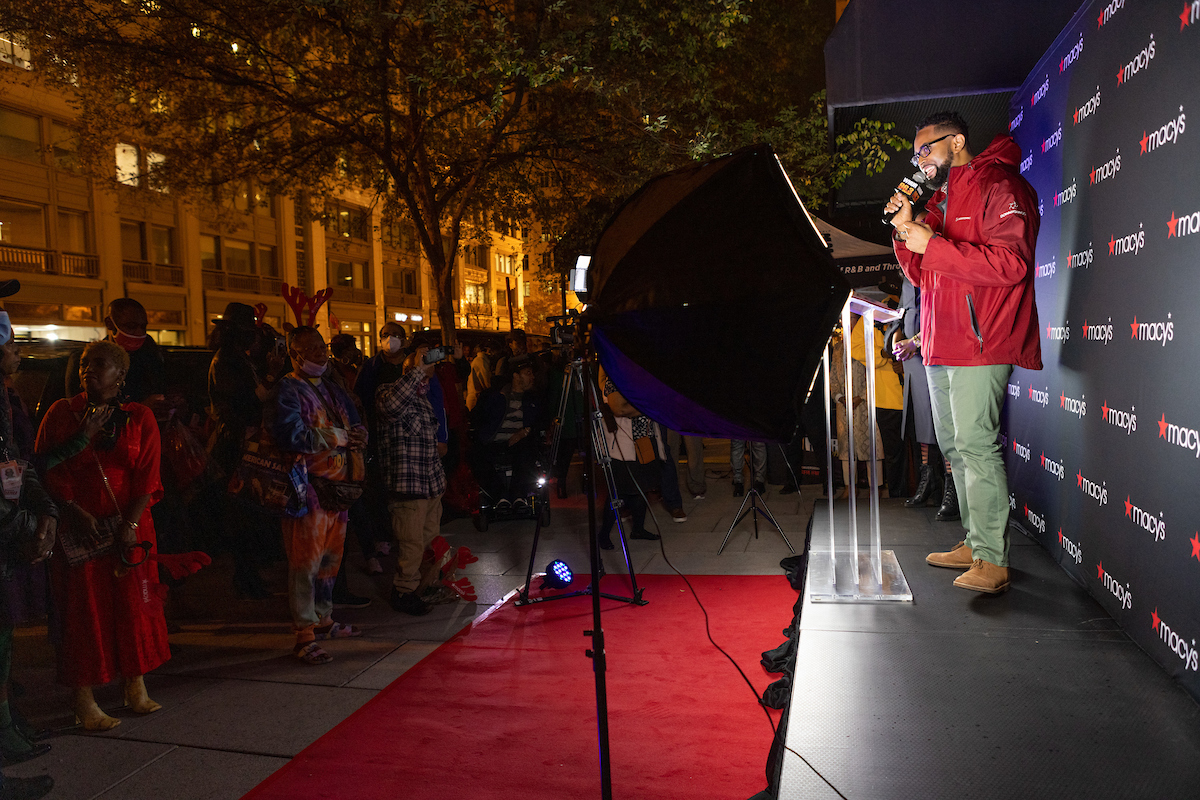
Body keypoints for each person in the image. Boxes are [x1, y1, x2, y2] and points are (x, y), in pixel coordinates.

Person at [887, 111, 1041, 594]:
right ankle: (976, 544)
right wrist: (906, 230)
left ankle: (992, 559)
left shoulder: (1001, 185)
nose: (919, 160)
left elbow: (1012, 264)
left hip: (981, 341)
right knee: (955, 447)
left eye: (925, 149)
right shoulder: (939, 201)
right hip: (940, 343)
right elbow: (922, 273)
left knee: (975, 444)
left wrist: (932, 243)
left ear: (955, 142)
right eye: (915, 154)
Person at [35, 340, 170, 729]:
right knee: (83, 613)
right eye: (83, 364)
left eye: (98, 364)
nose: (87, 370)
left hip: (129, 527)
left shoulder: (138, 416)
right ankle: (84, 699)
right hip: (80, 530)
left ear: (121, 374)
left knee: (132, 607)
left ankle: (135, 684)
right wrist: (73, 510)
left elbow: (148, 475)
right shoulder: (62, 413)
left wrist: (131, 524)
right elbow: (46, 468)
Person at [267, 326, 366, 663]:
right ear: (294, 355)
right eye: (311, 349)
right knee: (305, 563)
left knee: (329, 561)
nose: (321, 354)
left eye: (322, 347)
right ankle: (304, 634)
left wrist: (359, 436)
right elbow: (289, 435)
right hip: (308, 489)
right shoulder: (287, 389)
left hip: (338, 490)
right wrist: (338, 437)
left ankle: (323, 618)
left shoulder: (332, 388)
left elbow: (356, 423)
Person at [206, 302, 285, 598]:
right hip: (235, 443)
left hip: (244, 441)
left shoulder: (239, 358)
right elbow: (245, 402)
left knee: (249, 513)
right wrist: (270, 376)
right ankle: (245, 577)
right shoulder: (226, 361)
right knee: (242, 514)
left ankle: (250, 574)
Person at [375, 346, 446, 616]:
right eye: (422, 368)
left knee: (428, 543)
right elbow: (391, 406)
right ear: (409, 370)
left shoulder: (422, 399)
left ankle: (423, 587)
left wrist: (440, 484)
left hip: (430, 487)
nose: (426, 374)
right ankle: (403, 591)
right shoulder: (386, 392)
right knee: (411, 544)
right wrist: (417, 370)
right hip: (408, 487)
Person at [888, 277, 947, 512]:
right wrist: (896, 336)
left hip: (936, 352)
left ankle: (951, 484)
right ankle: (928, 478)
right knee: (921, 423)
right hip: (911, 358)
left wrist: (915, 341)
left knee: (943, 423)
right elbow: (900, 313)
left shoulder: (936, 269)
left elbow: (945, 313)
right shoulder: (906, 277)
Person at [597, 367, 662, 548]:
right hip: (623, 443)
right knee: (619, 491)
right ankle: (604, 534)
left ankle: (638, 529)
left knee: (642, 486)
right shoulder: (615, 377)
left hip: (644, 439)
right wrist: (648, 405)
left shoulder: (639, 376)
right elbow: (619, 409)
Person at [470, 355, 544, 508]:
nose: (532, 377)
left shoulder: (533, 398)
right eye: (528, 373)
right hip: (494, 442)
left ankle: (518, 495)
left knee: (527, 451)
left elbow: (542, 420)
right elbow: (477, 418)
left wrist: (525, 431)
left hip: (520, 442)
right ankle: (500, 496)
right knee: (476, 456)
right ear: (516, 376)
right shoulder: (494, 396)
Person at [65, 298, 164, 405]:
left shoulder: (150, 357)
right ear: (110, 324)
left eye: (143, 327)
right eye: (131, 326)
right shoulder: (86, 360)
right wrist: (140, 409)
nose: (138, 332)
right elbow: (78, 407)